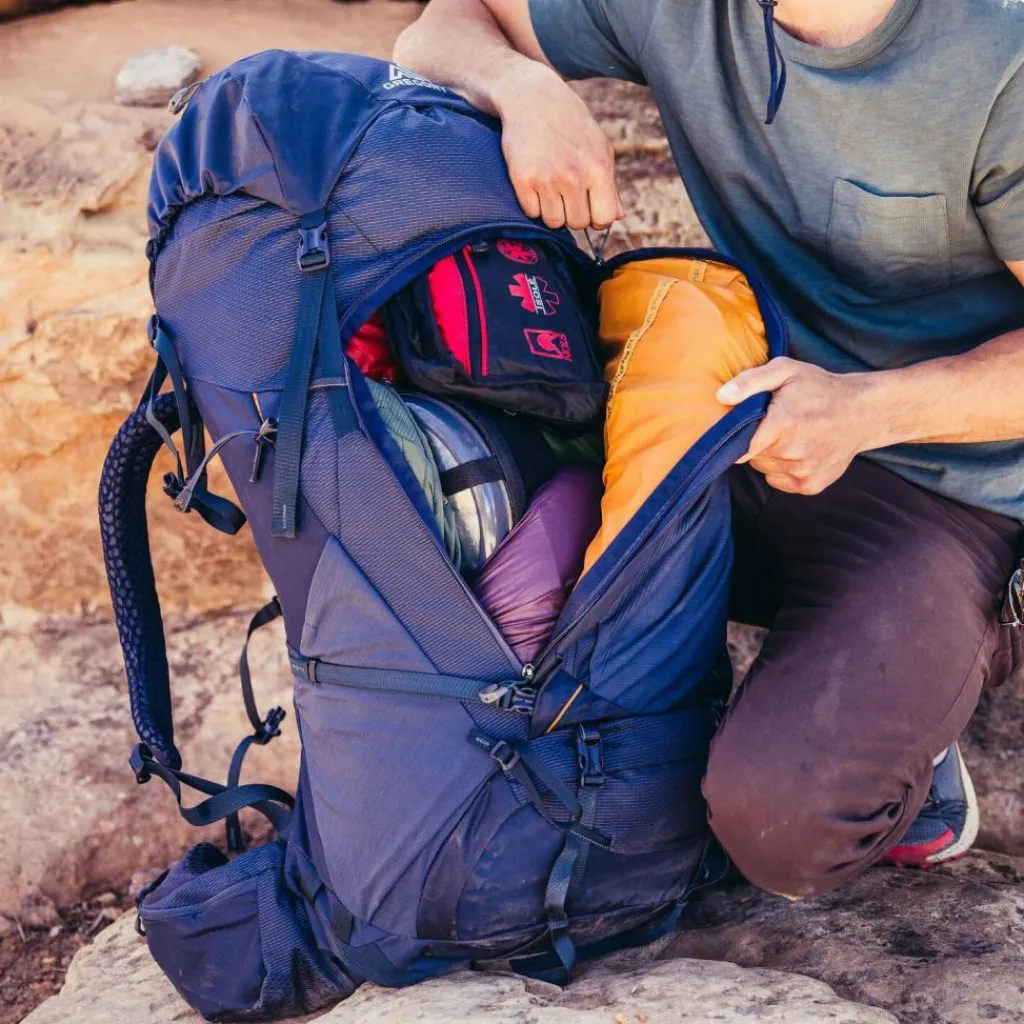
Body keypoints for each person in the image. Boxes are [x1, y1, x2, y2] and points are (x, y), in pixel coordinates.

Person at [394, 0, 1024, 898]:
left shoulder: (1002, 51)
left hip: (945, 487)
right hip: (741, 415)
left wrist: (865, 410)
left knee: (783, 823)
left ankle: (936, 682)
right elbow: (441, 25)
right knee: (459, 504)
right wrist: (522, 86)